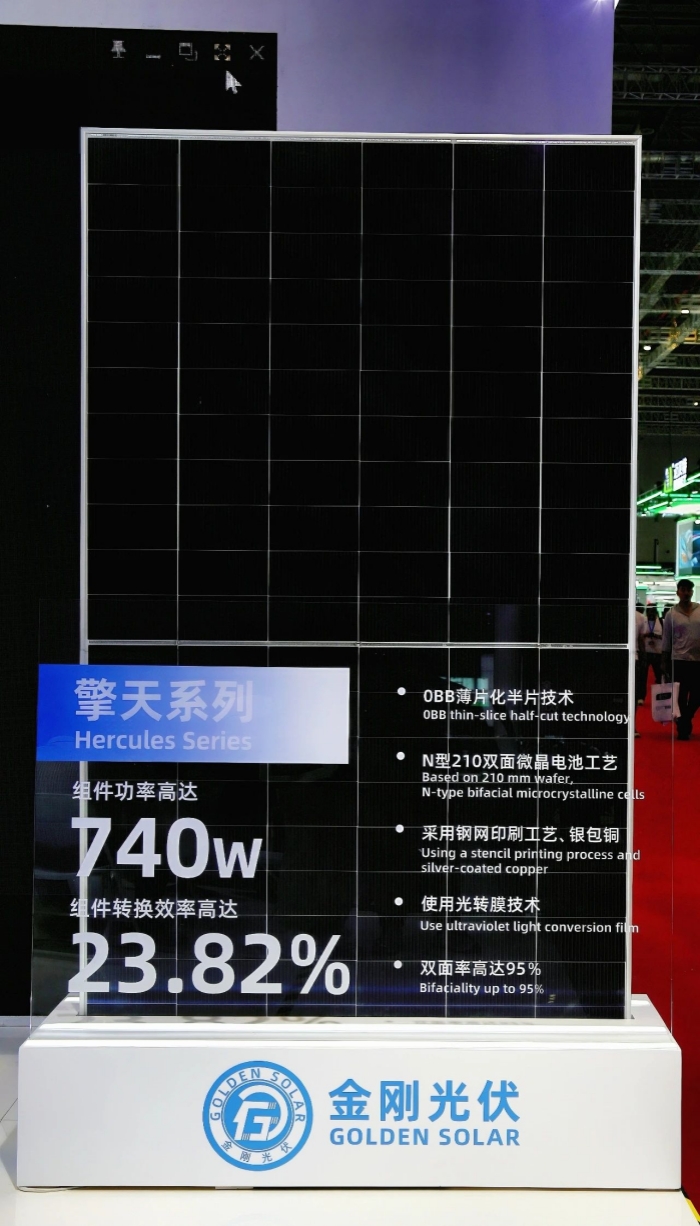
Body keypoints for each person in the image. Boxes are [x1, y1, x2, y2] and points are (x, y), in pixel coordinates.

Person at [661, 579, 700, 740]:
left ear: (692, 592)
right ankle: (683, 727)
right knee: (681, 696)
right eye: (683, 590)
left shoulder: (699, 610)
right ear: (678, 592)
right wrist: (664, 662)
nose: (686, 593)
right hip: (679, 660)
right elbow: (666, 639)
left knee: (697, 695)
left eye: (688, 590)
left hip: (698, 661)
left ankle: (686, 718)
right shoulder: (671, 614)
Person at [642, 603, 663, 690]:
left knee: (659, 675)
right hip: (645, 652)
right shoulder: (643, 621)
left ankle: (660, 693)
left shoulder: (662, 622)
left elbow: (666, 637)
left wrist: (655, 635)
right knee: (643, 676)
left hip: (658, 653)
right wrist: (645, 635)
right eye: (649, 611)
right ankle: (641, 694)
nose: (651, 613)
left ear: (656, 612)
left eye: (653, 611)